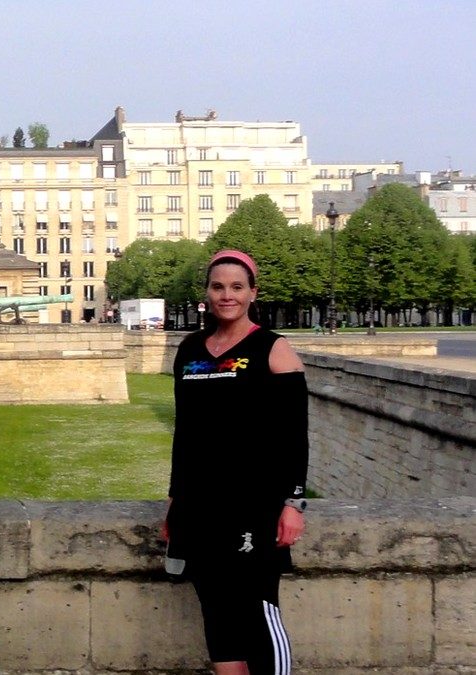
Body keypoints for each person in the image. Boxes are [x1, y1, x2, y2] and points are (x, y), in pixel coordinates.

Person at [163, 249, 309, 675]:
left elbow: (293, 437)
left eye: (236, 287)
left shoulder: (273, 349)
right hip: (199, 506)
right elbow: (184, 433)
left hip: (253, 506)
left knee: (259, 615)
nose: (226, 295)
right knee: (218, 615)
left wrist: (292, 503)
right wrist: (175, 501)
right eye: (218, 286)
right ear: (207, 294)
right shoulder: (189, 350)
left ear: (252, 294)